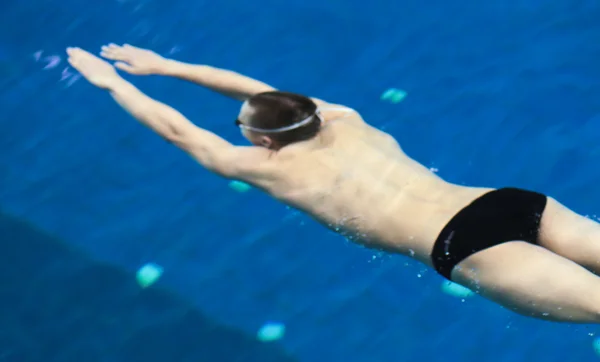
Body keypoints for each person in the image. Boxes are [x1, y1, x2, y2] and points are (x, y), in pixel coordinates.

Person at [66, 45, 600, 324]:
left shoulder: (268, 169)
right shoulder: (342, 118)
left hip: (463, 244)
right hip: (503, 202)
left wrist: (112, 81)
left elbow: (181, 132)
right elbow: (263, 92)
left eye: (245, 131)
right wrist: (167, 66)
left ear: (265, 142)